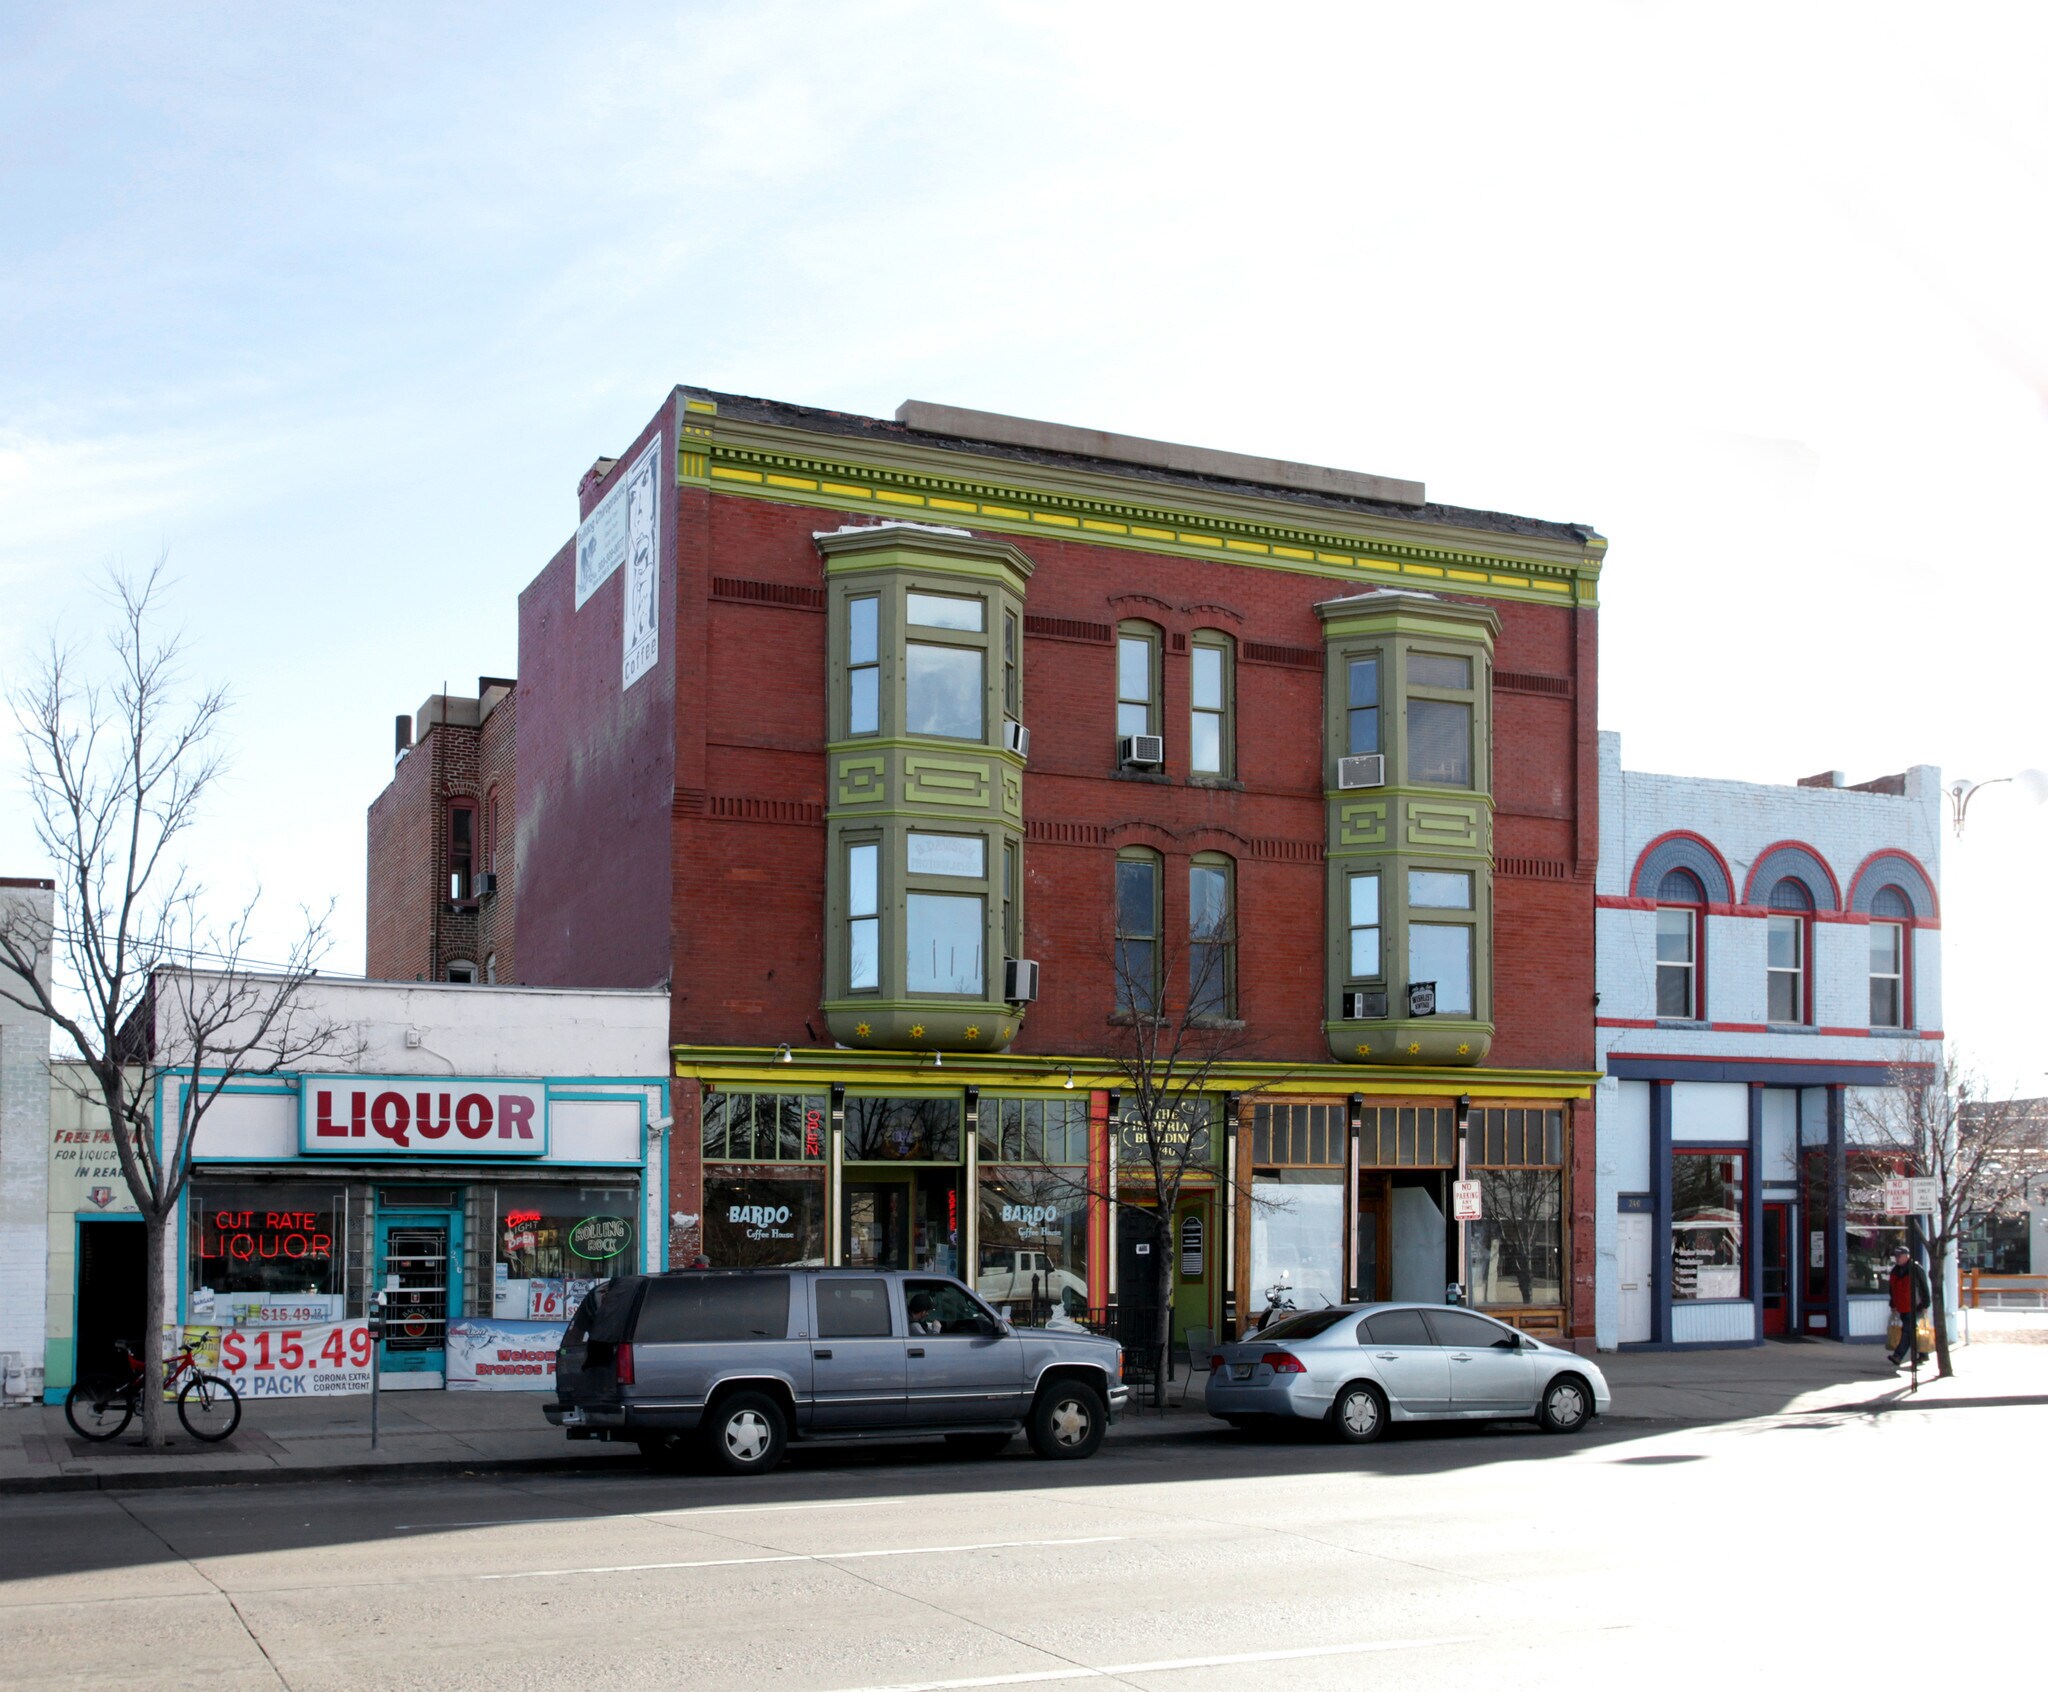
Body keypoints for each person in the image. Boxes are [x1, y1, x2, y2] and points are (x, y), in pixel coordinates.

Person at [1887, 1244, 1931, 1366]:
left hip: (1915, 1306)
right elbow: (1892, 1288)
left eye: (1899, 1256)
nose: (1897, 1258)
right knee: (1912, 1331)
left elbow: (1924, 1287)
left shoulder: (1916, 1268)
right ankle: (1923, 1354)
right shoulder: (1895, 1270)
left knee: (1907, 1330)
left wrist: (1925, 1304)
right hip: (1902, 1306)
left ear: (1907, 1256)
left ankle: (1898, 1355)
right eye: (1896, 1256)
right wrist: (1893, 1303)